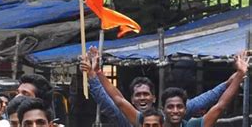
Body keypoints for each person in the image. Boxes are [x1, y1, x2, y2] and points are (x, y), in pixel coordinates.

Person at [84, 47, 249, 127]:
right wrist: (97, 72)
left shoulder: (192, 125)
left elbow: (219, 105)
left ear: (186, 109)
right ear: (163, 109)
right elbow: (118, 100)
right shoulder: (149, 122)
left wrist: (240, 75)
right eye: (170, 107)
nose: (175, 110)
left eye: (179, 107)